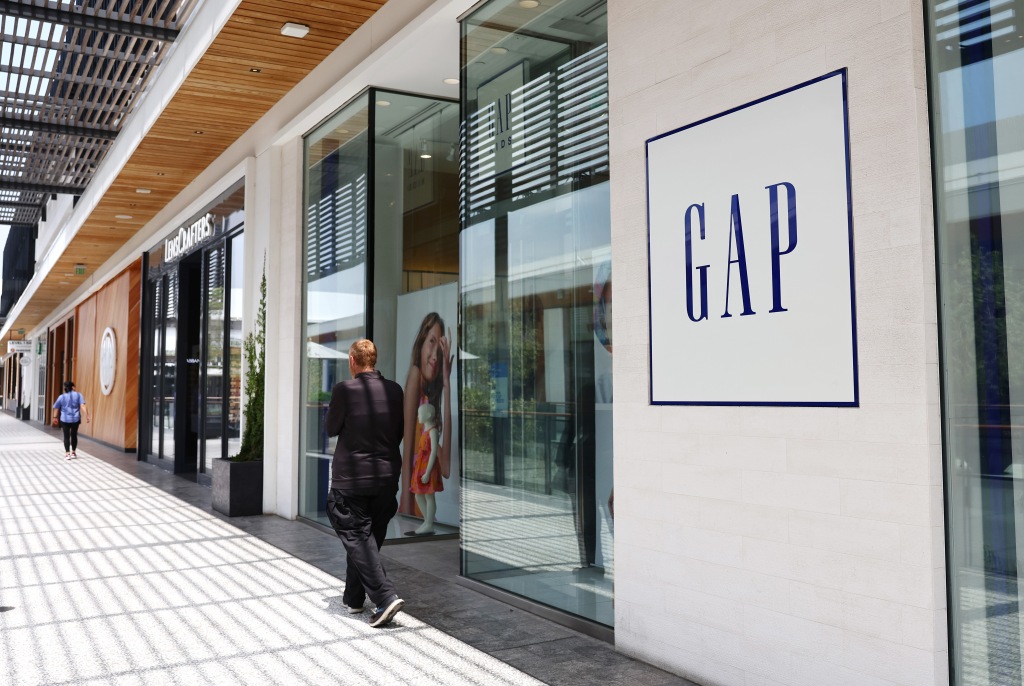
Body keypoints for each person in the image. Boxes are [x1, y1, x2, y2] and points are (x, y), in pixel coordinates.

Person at [323, 339, 406, 628]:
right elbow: (399, 433)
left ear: (352, 360)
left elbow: (331, 428)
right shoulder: (395, 390)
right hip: (386, 477)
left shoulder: (345, 390)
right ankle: (354, 598)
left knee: (357, 536)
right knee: (365, 540)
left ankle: (384, 596)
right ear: (374, 359)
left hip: (352, 479)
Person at [400, 313, 453, 517]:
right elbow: (407, 454)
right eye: (431, 342)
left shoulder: (429, 405)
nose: (435, 355)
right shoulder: (415, 374)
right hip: (413, 502)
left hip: (423, 503)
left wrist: (447, 385)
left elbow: (446, 468)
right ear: (421, 343)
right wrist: (405, 508)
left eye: (440, 350)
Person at [409, 403, 440, 535]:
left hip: (428, 466)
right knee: (418, 494)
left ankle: (429, 523)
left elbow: (434, 452)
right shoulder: (425, 430)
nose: (418, 417)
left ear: (427, 415)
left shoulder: (433, 431)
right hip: (421, 465)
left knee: (429, 495)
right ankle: (427, 521)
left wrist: (428, 472)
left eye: (419, 414)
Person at [52, 380, 89, 460]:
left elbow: (56, 407)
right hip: (75, 419)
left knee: (66, 436)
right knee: (74, 435)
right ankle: (73, 452)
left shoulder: (62, 397)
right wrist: (87, 415)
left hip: (64, 419)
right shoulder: (79, 395)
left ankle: (67, 454)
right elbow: (83, 406)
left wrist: (54, 417)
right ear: (72, 387)